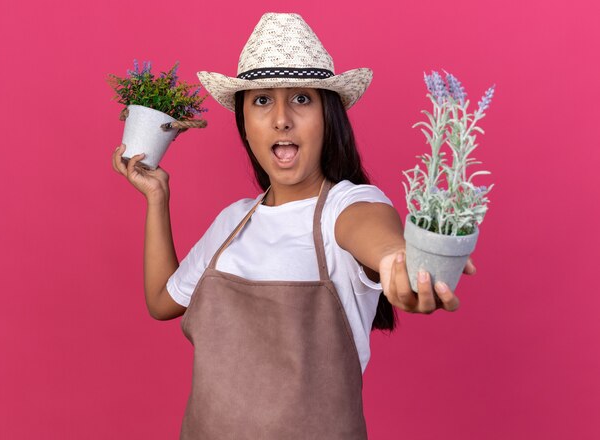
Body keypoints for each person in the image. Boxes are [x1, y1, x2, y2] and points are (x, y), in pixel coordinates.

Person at [111, 12, 476, 440]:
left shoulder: (347, 204)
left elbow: (377, 237)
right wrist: (157, 198)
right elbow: (161, 301)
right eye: (262, 100)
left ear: (328, 116)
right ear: (244, 123)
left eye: (301, 99)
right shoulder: (233, 222)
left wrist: (400, 265)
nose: (281, 118)